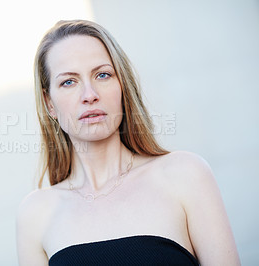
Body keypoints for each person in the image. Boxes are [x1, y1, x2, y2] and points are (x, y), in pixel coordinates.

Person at [16, 19, 240, 266]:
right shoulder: (36, 214)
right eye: (68, 81)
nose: (90, 95)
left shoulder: (185, 175)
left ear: (123, 85)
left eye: (103, 75)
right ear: (50, 104)